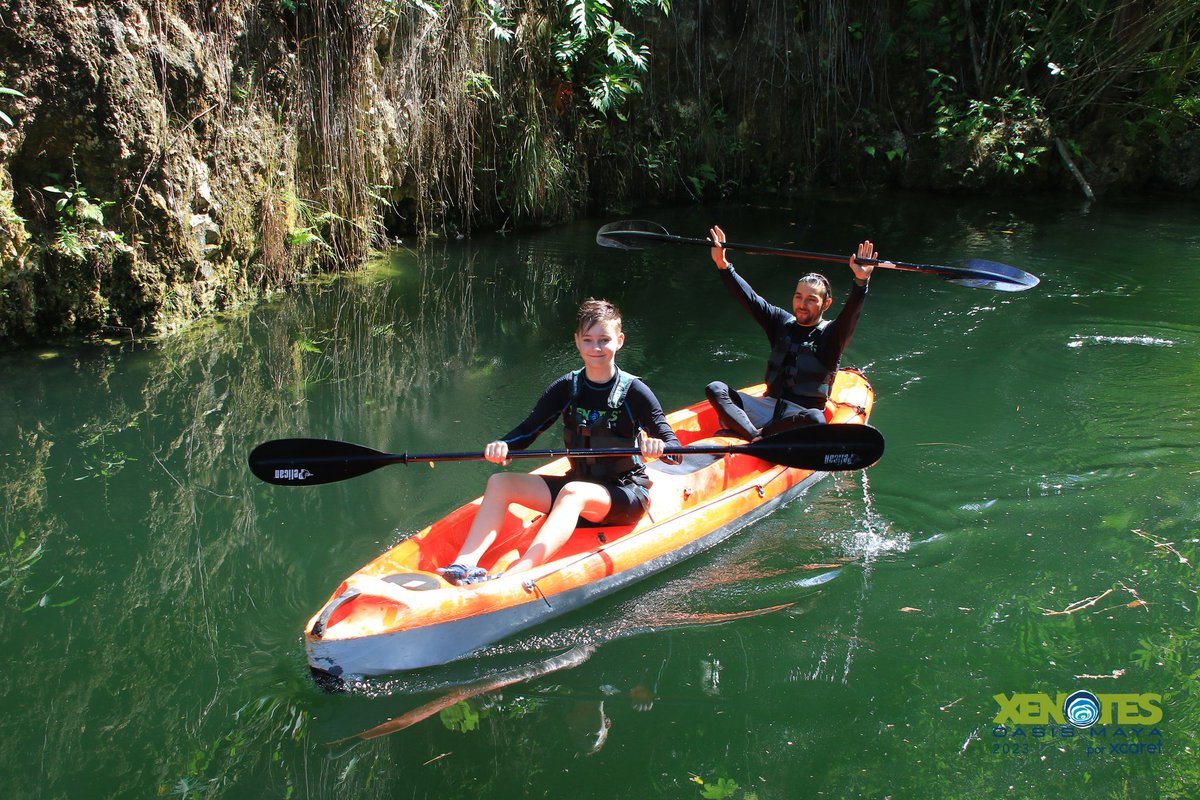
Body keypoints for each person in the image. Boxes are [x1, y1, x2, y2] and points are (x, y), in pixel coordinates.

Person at [439, 298, 682, 586]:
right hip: (577, 483)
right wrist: (504, 446)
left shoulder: (635, 391)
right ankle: (463, 564)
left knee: (573, 492)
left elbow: (674, 449)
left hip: (624, 494)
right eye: (589, 340)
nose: (596, 348)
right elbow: (529, 430)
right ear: (577, 341)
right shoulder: (567, 387)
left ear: (619, 340)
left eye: (604, 340)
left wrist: (659, 446)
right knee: (500, 482)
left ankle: (514, 576)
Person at [704, 224, 886, 441]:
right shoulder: (781, 322)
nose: (802, 304)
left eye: (811, 300)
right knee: (716, 388)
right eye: (798, 297)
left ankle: (749, 433)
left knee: (816, 419)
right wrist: (723, 264)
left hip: (797, 416)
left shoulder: (832, 335)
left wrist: (861, 282)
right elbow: (750, 299)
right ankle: (756, 438)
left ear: (826, 304)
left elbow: (851, 315)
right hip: (766, 406)